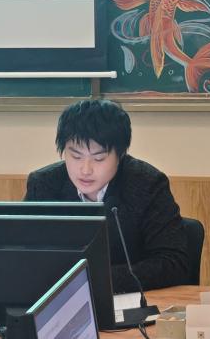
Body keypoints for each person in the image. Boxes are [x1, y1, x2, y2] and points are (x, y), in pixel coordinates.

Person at [24, 99, 190, 292]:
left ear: (120, 155)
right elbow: (23, 254)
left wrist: (95, 279)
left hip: (128, 300)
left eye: (99, 158)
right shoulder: (43, 185)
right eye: (76, 156)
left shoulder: (147, 184)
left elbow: (174, 263)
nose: (85, 170)